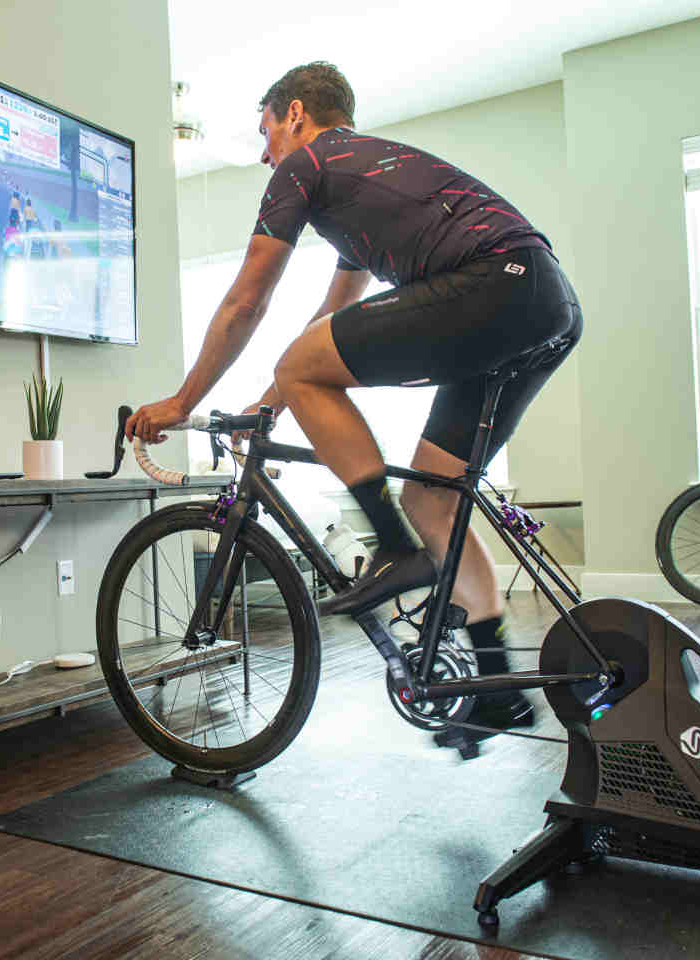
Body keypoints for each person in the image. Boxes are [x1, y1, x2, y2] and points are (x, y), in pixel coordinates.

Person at [126, 62, 582, 755]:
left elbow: (248, 300)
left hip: (493, 283)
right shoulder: (365, 188)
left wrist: (184, 401)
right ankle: (500, 692)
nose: (262, 152)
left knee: (319, 390)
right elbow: (330, 321)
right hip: (543, 301)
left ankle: (395, 551)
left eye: (266, 131)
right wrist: (270, 403)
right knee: (433, 497)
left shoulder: (306, 164)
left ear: (298, 114)